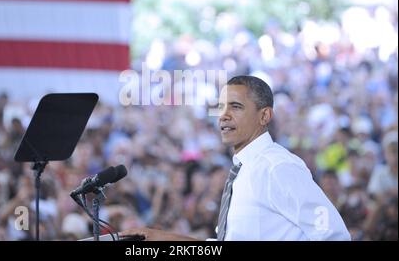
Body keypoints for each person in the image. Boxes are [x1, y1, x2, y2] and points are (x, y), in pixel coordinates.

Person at [121, 75, 351, 240]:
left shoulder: (277, 167)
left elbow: (334, 235)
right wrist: (159, 240)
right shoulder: (244, 170)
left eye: (236, 107)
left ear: (264, 116)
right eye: (221, 107)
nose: (224, 115)